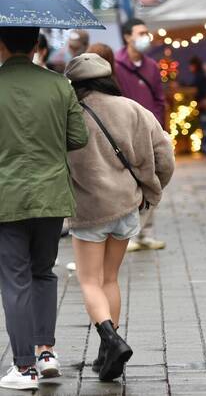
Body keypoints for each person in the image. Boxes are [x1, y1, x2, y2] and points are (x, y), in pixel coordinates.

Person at [64, 54, 174, 382]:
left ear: (75, 83)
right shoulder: (133, 109)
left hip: (89, 211)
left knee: (88, 281)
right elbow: (164, 155)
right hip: (127, 207)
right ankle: (106, 352)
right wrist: (151, 191)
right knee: (110, 279)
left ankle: (111, 340)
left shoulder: (71, 115)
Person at [0, 26, 89, 390]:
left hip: (7, 197)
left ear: (1, 45)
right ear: (37, 45)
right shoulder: (58, 84)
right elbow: (78, 138)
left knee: (14, 279)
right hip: (52, 195)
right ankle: (46, 352)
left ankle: (23, 368)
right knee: (44, 273)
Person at [115, 17, 168, 252]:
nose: (145, 36)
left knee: (152, 183)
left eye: (146, 32)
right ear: (128, 36)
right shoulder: (115, 64)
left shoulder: (152, 66)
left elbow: (160, 99)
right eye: (141, 32)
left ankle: (145, 234)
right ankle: (130, 235)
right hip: (125, 133)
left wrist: (161, 127)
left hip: (151, 134)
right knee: (129, 185)